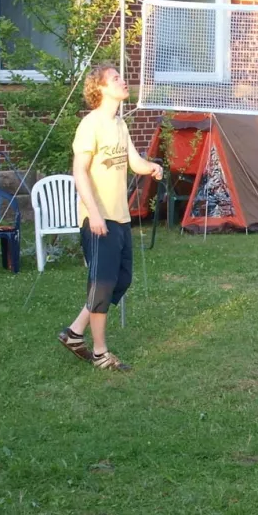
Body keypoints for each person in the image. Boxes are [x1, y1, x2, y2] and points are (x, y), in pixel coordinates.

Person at [57, 63, 164, 372]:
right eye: (115, 78)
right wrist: (94, 214)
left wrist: (151, 167)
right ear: (100, 88)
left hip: (120, 218)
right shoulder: (91, 124)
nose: (123, 81)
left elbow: (133, 162)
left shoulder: (119, 124)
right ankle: (101, 352)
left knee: (122, 280)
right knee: (102, 284)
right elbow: (79, 171)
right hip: (98, 219)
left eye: (121, 77)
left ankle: (74, 332)